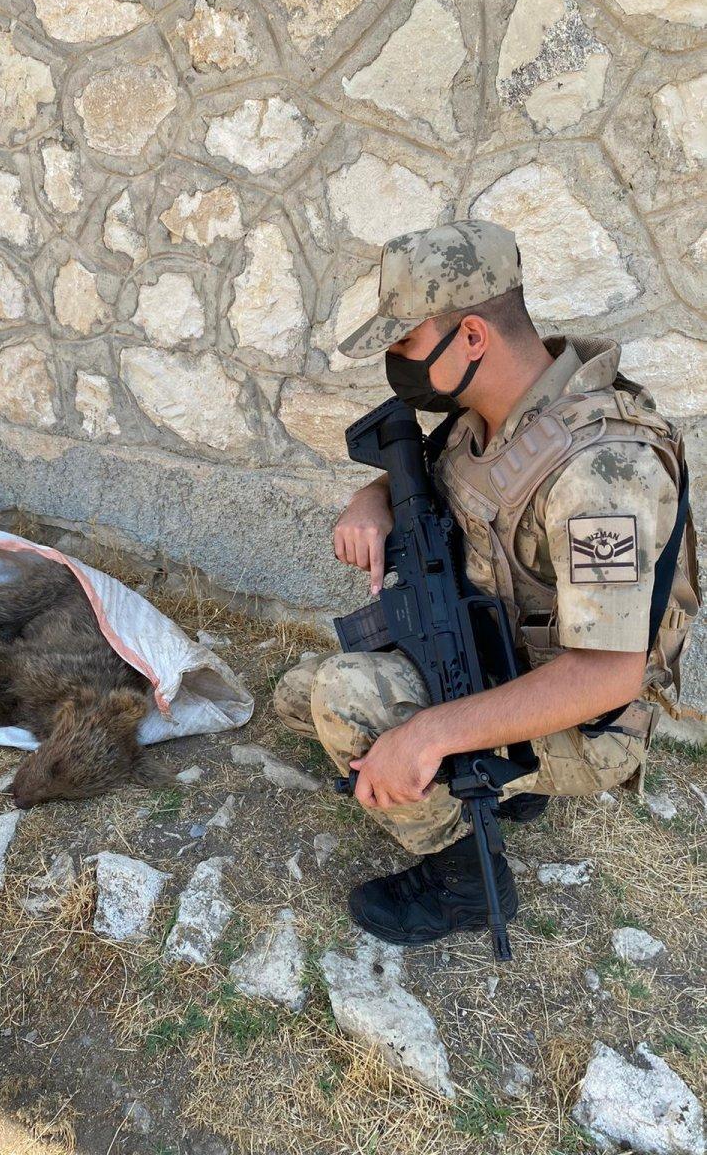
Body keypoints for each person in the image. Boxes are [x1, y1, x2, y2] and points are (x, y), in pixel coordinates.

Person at [273, 219, 700, 947]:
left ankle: (467, 877)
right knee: (296, 698)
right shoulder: (495, 411)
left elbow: (607, 677)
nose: (395, 360)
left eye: (406, 342)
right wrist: (369, 501)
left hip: (583, 718)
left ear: (472, 337)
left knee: (346, 700)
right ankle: (503, 782)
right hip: (487, 655)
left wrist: (428, 736)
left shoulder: (603, 473)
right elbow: (440, 480)